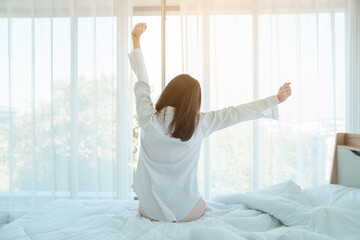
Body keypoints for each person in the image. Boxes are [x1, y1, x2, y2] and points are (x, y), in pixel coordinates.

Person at [128, 22, 292, 223]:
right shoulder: (200, 123)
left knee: (147, 204)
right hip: (184, 213)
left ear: (169, 93)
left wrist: (136, 40)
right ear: (193, 102)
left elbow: (142, 81)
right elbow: (236, 113)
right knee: (200, 202)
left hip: (151, 211)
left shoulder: (148, 118)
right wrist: (275, 99)